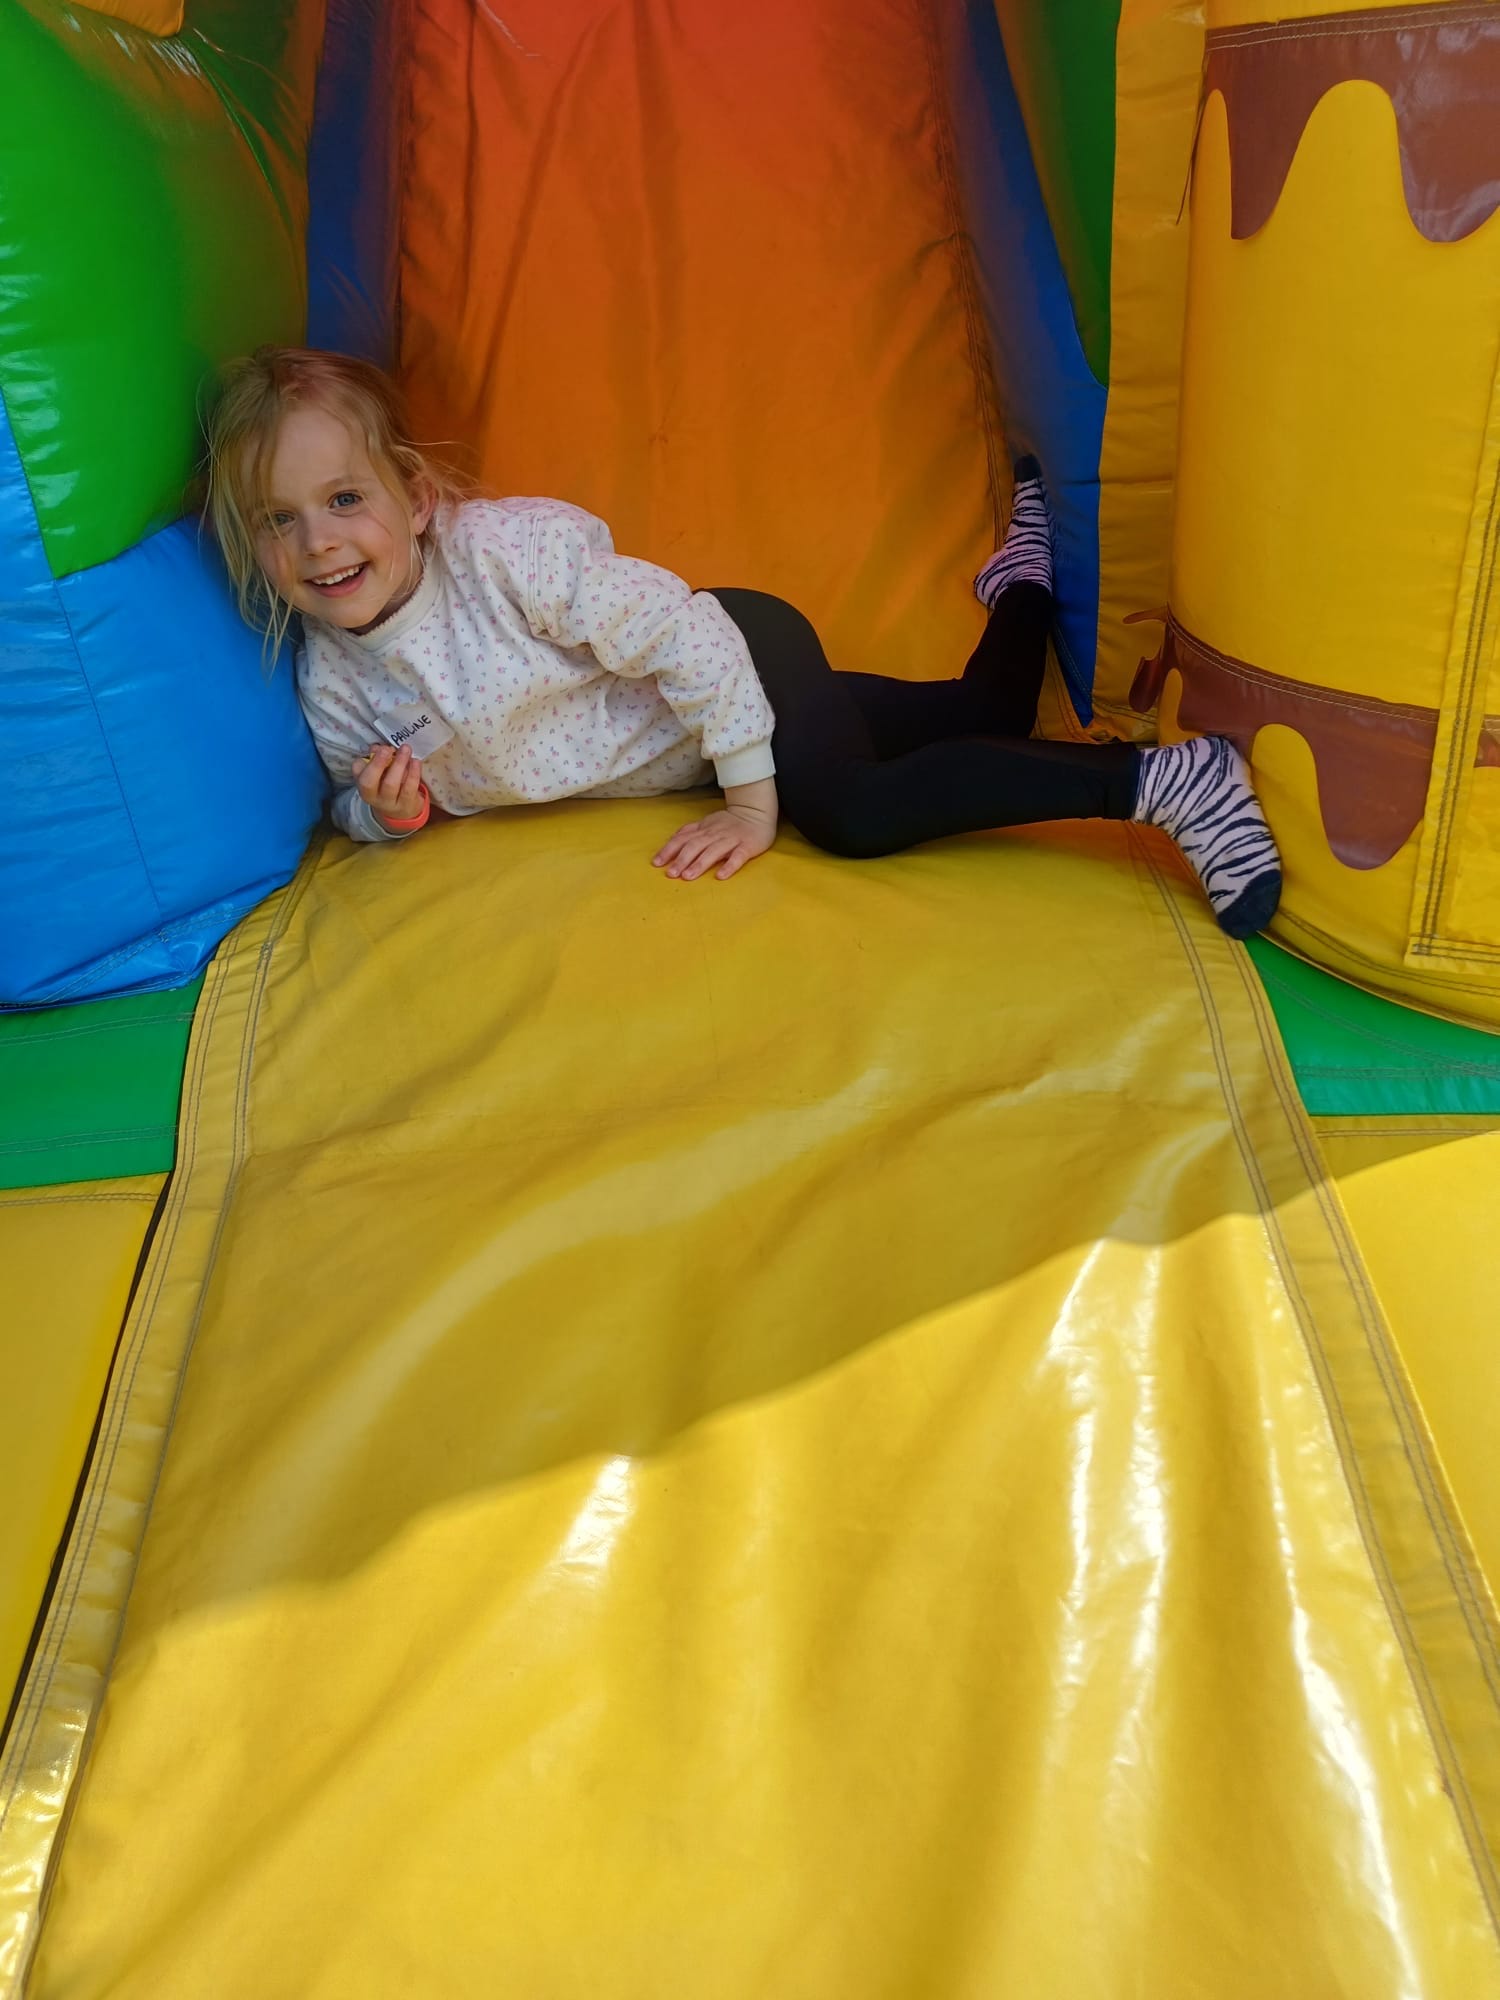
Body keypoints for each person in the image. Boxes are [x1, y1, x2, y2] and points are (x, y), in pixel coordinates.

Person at [203, 346, 1281, 938]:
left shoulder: (505, 557)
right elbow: (351, 799)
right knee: (983, 715)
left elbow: (688, 633)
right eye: (279, 519)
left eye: (345, 498)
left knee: (851, 808)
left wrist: (752, 802)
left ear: (416, 496)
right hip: (694, 731)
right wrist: (389, 813)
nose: (320, 541)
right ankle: (1024, 587)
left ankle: (1166, 782)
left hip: (735, 650)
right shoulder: (333, 679)